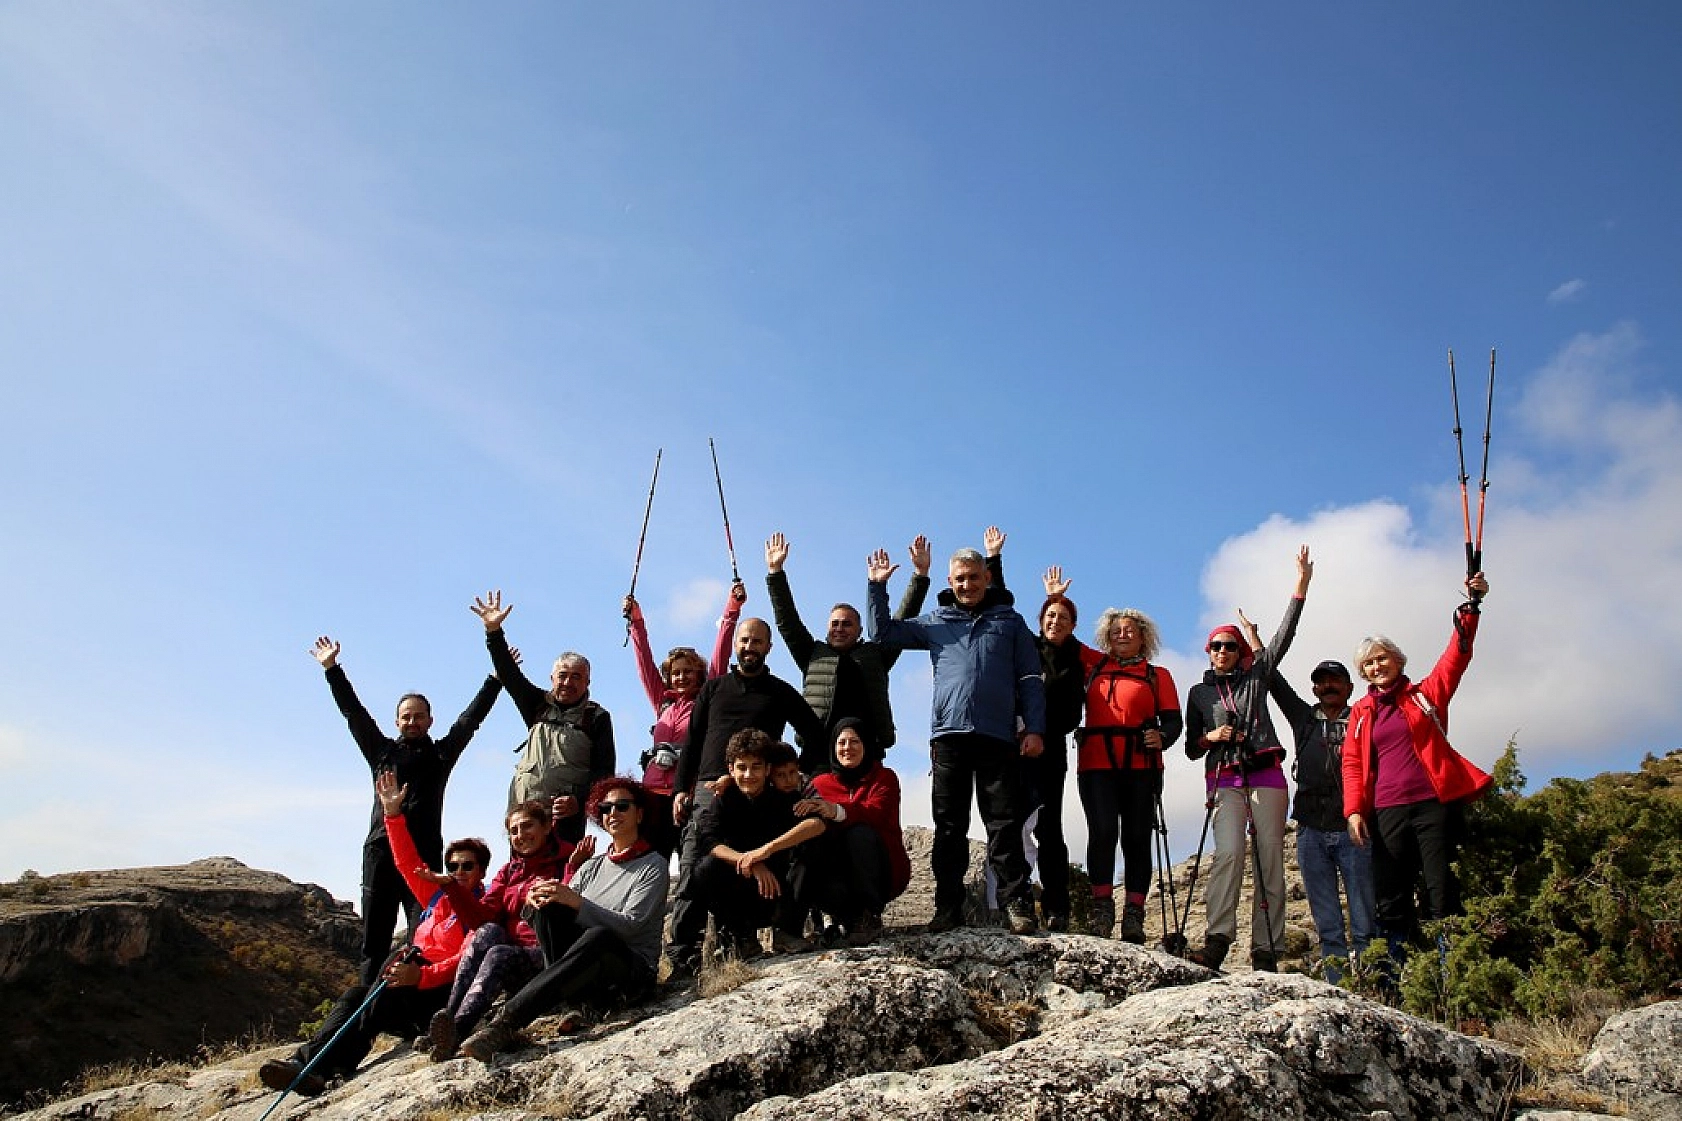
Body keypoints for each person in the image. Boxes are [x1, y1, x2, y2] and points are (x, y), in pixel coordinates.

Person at [259, 772, 491, 1096]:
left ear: (482, 872)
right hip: (408, 992)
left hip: (438, 998)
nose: (459, 873)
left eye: (468, 867)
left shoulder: (481, 907)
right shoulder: (437, 899)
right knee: (357, 995)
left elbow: (465, 959)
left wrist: (420, 977)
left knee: (378, 997)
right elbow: (406, 860)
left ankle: (316, 1068)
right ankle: (308, 1067)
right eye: (452, 867)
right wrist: (392, 815)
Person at [866, 540, 1047, 935]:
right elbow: (882, 634)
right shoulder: (937, 620)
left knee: (1003, 823)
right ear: (950, 581)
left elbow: (1030, 679)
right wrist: (877, 587)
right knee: (949, 826)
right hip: (948, 737)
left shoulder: (1010, 621)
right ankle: (947, 908)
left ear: (987, 578)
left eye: (974, 578)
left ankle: (1018, 904)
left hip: (998, 737)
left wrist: (1034, 728)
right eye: (960, 579)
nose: (967, 585)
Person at [309, 635, 503, 985]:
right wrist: (332, 669)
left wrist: (495, 680)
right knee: (375, 942)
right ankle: (367, 1014)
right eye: (405, 717)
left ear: (430, 721)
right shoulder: (382, 753)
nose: (412, 722)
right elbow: (354, 714)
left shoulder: (440, 756)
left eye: (418, 716)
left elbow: (469, 721)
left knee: (424, 937)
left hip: (424, 861)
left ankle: (420, 1010)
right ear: (397, 721)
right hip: (381, 854)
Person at [457, 777, 671, 1060]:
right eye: (606, 808)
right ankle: (575, 1003)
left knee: (599, 936)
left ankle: (507, 1023)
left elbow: (630, 926)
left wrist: (578, 902)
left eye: (622, 806)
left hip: (631, 972)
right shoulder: (591, 867)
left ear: (639, 813)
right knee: (550, 907)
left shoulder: (653, 866)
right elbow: (561, 912)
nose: (613, 814)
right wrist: (535, 903)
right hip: (589, 973)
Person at [665, 617, 826, 977]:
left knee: (790, 851)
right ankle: (682, 960)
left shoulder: (779, 692)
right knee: (695, 870)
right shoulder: (713, 689)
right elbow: (692, 741)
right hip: (711, 789)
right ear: (735, 645)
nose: (749, 646)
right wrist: (680, 788)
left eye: (757, 641)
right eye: (744, 640)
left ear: (768, 647)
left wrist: (801, 775)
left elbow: (814, 733)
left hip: (760, 787)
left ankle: (775, 931)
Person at [1344, 573, 1492, 960]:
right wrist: (1355, 810)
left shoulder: (1425, 695)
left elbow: (1456, 657)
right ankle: (1400, 977)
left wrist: (1471, 607)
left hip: (1433, 806)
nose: (1377, 667)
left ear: (1397, 660)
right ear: (1363, 674)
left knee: (1442, 892)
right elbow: (1353, 763)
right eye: (1369, 664)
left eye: (1382, 659)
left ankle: (1451, 973)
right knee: (1391, 896)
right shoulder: (1360, 713)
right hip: (1387, 810)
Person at [1184, 546, 1313, 972]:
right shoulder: (1199, 694)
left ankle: (1266, 948)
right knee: (1229, 854)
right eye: (1216, 647)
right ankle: (1218, 939)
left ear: (1241, 653)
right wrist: (1212, 735)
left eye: (1230, 646)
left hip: (1265, 774)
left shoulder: (1257, 677)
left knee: (1270, 857)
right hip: (1223, 777)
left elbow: (1283, 638)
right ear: (1208, 652)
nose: (1223, 652)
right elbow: (1189, 746)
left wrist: (1300, 587)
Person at [1043, 571, 1181, 944]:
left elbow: (1173, 721)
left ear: (1143, 637)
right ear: (1107, 635)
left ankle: (1134, 912)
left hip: (1142, 763)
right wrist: (1056, 599)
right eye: (1116, 630)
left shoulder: (1158, 675)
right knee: (1102, 832)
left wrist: (1163, 736)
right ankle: (1102, 907)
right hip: (1096, 763)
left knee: (1138, 836)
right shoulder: (1094, 664)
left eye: (1130, 630)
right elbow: (1060, 638)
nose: (1123, 635)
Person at [425, 798, 573, 1060]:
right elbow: (481, 918)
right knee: (486, 933)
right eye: (514, 831)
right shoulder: (509, 872)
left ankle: (458, 1030)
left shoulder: (568, 860)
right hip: (517, 958)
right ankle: (449, 1018)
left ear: (548, 826)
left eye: (527, 826)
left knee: (498, 953)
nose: (520, 835)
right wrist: (451, 887)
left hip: (551, 955)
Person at [763, 531, 931, 751]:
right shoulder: (813, 654)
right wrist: (775, 572)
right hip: (819, 754)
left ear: (860, 630)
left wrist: (920, 575)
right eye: (835, 624)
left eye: (846, 624)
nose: (839, 629)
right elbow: (788, 621)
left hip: (867, 751)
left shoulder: (876, 656)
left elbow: (902, 618)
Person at [674, 729, 826, 970]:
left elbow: (816, 824)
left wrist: (766, 851)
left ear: (767, 770)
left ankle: (787, 931)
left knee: (812, 850)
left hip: (778, 894)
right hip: (741, 894)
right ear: (731, 769)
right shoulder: (723, 800)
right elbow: (709, 841)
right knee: (704, 869)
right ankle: (743, 938)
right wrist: (751, 863)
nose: (748, 775)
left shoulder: (783, 798)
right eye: (742, 768)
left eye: (756, 767)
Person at [472, 590, 615, 844]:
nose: (568, 682)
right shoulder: (537, 705)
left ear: (588, 682)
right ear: (552, 679)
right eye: (562, 676)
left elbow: (604, 773)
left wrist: (578, 800)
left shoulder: (598, 718)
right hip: (522, 819)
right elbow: (509, 673)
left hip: (563, 824)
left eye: (576, 677)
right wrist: (493, 632)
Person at [624, 580, 746, 857]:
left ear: (700, 674)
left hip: (688, 789)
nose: (681, 677)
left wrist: (732, 608)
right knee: (649, 858)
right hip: (653, 792)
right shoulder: (662, 701)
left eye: (688, 671)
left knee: (691, 854)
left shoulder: (708, 698)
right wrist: (636, 621)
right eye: (676, 673)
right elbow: (644, 661)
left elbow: (721, 652)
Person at [1269, 658, 1373, 983]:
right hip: (1311, 829)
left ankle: (1375, 990)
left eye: (1335, 681)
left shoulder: (1363, 717)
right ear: (1314, 687)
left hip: (1354, 829)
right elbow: (1274, 680)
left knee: (1365, 920)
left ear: (1349, 687)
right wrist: (1253, 641)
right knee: (1327, 922)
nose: (1327, 686)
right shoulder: (1304, 719)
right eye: (1321, 681)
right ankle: (1339, 988)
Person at [799, 718, 912, 945]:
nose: (847, 748)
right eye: (841, 742)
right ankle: (835, 921)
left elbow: (876, 813)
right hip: (835, 872)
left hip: (879, 870)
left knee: (859, 833)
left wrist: (836, 811)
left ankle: (868, 916)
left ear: (867, 745)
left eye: (855, 742)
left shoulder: (884, 778)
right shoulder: (819, 784)